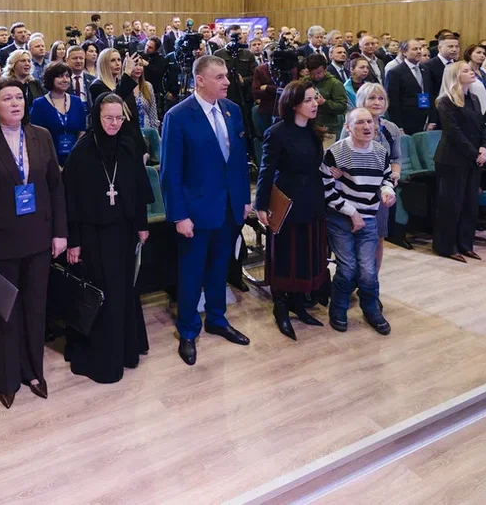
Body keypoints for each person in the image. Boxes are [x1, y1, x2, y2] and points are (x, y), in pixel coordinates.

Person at [0, 80, 67, 407]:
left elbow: (55, 188)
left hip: (38, 238)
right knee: (3, 312)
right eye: (7, 98)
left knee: (35, 309)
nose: (15, 103)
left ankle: (33, 371)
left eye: (19, 97)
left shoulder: (41, 136)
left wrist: (60, 232)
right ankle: (6, 379)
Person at [160, 56, 252, 366]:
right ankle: (188, 329)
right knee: (191, 273)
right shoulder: (178, 116)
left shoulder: (232, 110)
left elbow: (239, 161)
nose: (227, 81)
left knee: (219, 268)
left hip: (229, 207)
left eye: (226, 76)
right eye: (220, 77)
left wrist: (244, 199)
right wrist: (179, 215)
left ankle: (216, 318)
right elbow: (170, 172)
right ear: (200, 80)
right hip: (195, 212)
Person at [62, 94, 151, 383]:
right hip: (93, 236)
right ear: (96, 118)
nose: (114, 123)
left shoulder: (128, 145)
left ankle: (126, 350)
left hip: (123, 232)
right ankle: (102, 357)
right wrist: (74, 241)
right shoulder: (82, 151)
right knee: (102, 294)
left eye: (118, 118)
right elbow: (71, 201)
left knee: (124, 291)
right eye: (108, 118)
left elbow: (138, 190)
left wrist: (142, 225)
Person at [255, 79, 329, 340]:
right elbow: (266, 170)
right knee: (285, 255)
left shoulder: (313, 131)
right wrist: (261, 205)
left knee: (307, 253)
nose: (314, 103)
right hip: (287, 201)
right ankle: (281, 306)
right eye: (308, 100)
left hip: (313, 199)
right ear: (293, 104)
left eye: (315, 98)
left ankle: (299, 302)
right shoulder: (277, 133)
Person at [321, 109, 395, 335]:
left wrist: (387, 191)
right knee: (348, 267)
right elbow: (326, 190)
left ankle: (371, 309)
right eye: (360, 122)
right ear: (348, 127)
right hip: (340, 216)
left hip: (369, 217)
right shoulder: (336, 152)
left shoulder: (380, 152)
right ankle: (338, 309)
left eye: (369, 121)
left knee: (368, 270)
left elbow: (386, 178)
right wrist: (352, 212)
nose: (367, 126)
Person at [432, 62, 486, 263]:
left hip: (473, 158)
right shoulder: (445, 101)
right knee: (451, 204)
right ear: (455, 76)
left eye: (471, 70)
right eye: (465, 71)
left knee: (470, 204)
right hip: (452, 159)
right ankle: (446, 246)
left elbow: (482, 126)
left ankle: (465, 244)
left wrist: (485, 147)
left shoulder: (473, 98)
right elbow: (453, 133)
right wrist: (475, 153)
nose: (471, 72)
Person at [341, 83, 403, 267]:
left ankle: (371, 280)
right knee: (353, 236)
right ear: (362, 101)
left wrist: (395, 173)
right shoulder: (350, 126)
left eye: (381, 98)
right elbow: (341, 156)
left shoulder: (391, 128)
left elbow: (396, 157)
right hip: (354, 191)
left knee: (378, 237)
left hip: (381, 191)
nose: (377, 102)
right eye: (372, 98)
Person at [90, 49, 148, 158]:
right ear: (104, 64)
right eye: (113, 60)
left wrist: (143, 149)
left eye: (119, 60)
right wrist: (127, 73)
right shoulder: (97, 86)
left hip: (131, 143)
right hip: (113, 145)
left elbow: (133, 119)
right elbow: (115, 100)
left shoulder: (122, 84)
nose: (117, 63)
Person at [28, 62, 86, 167]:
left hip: (74, 160)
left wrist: (75, 157)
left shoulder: (77, 102)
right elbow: (36, 138)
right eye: (60, 76)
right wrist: (53, 164)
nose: (65, 80)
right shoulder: (39, 104)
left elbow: (82, 132)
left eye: (67, 76)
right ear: (51, 79)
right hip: (49, 160)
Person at [385, 38, 433, 134]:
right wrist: (398, 126)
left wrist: (432, 119)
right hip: (406, 121)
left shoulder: (425, 69)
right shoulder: (395, 72)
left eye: (420, 49)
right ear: (404, 52)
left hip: (425, 118)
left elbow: (430, 94)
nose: (419, 51)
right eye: (415, 49)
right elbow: (393, 101)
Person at [305, 53, 347, 145]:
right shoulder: (305, 82)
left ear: (325, 69)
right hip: (308, 127)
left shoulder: (335, 84)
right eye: (312, 73)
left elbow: (342, 107)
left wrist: (324, 102)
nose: (316, 76)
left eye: (319, 73)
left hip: (328, 129)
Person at [464, 44, 486, 116]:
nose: (482, 55)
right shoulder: (464, 71)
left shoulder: (485, 71)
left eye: (484, 54)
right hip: (471, 107)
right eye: (478, 52)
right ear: (469, 54)